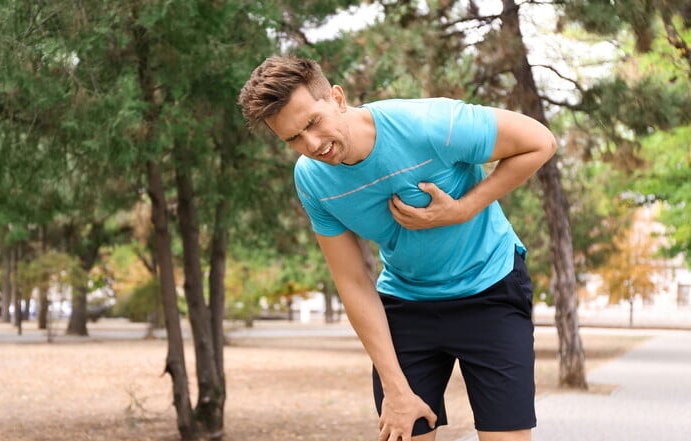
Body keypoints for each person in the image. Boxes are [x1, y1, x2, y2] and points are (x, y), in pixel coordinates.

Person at [238, 56, 556, 441]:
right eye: (293, 139)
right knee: (404, 429)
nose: (312, 145)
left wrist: (463, 209)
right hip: (408, 303)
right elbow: (353, 279)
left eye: (312, 123)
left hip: (489, 288)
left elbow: (540, 142)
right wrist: (395, 388)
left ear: (337, 98)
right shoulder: (312, 180)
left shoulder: (429, 125)